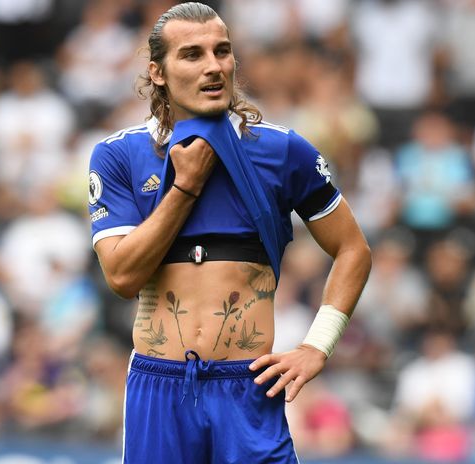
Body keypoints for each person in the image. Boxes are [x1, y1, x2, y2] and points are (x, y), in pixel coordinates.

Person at [86, 3, 372, 463]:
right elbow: (121, 277)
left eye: (222, 51)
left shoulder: (282, 150)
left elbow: (353, 249)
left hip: (248, 387)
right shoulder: (119, 156)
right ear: (158, 72)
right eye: (193, 55)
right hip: (159, 389)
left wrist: (317, 345)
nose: (213, 66)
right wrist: (184, 187)